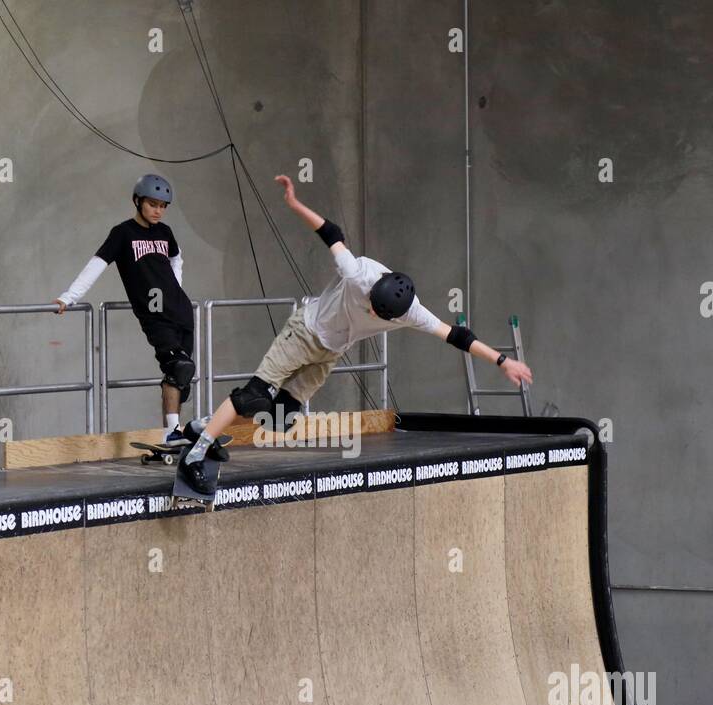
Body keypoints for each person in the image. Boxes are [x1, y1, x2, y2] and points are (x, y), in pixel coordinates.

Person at [178, 174, 533, 493]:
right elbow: (331, 232)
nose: (373, 312)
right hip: (303, 331)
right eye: (372, 306)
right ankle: (195, 453)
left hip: (330, 352)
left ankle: (202, 425)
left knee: (281, 417)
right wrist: (294, 202)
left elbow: (458, 335)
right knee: (254, 398)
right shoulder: (359, 273)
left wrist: (502, 362)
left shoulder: (413, 312)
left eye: (380, 314)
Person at [54, 173, 194, 444]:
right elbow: (97, 265)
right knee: (179, 367)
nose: (158, 210)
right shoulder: (123, 234)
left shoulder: (165, 232)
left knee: (181, 378)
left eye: (163, 206)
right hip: (155, 314)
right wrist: (68, 297)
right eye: (153, 204)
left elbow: (177, 259)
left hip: (180, 311)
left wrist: (177, 289)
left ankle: (174, 432)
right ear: (137, 201)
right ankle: (171, 433)